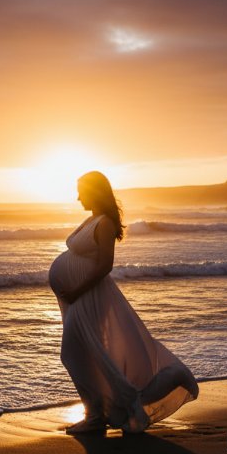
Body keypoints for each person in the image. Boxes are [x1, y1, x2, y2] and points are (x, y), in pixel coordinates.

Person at [49, 171, 199, 434]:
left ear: (95, 191)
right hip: (81, 297)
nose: (77, 197)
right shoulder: (92, 219)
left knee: (73, 354)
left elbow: (105, 265)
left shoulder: (104, 223)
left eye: (81, 191)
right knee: (84, 356)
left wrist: (76, 290)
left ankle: (103, 413)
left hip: (90, 296)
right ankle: (95, 415)